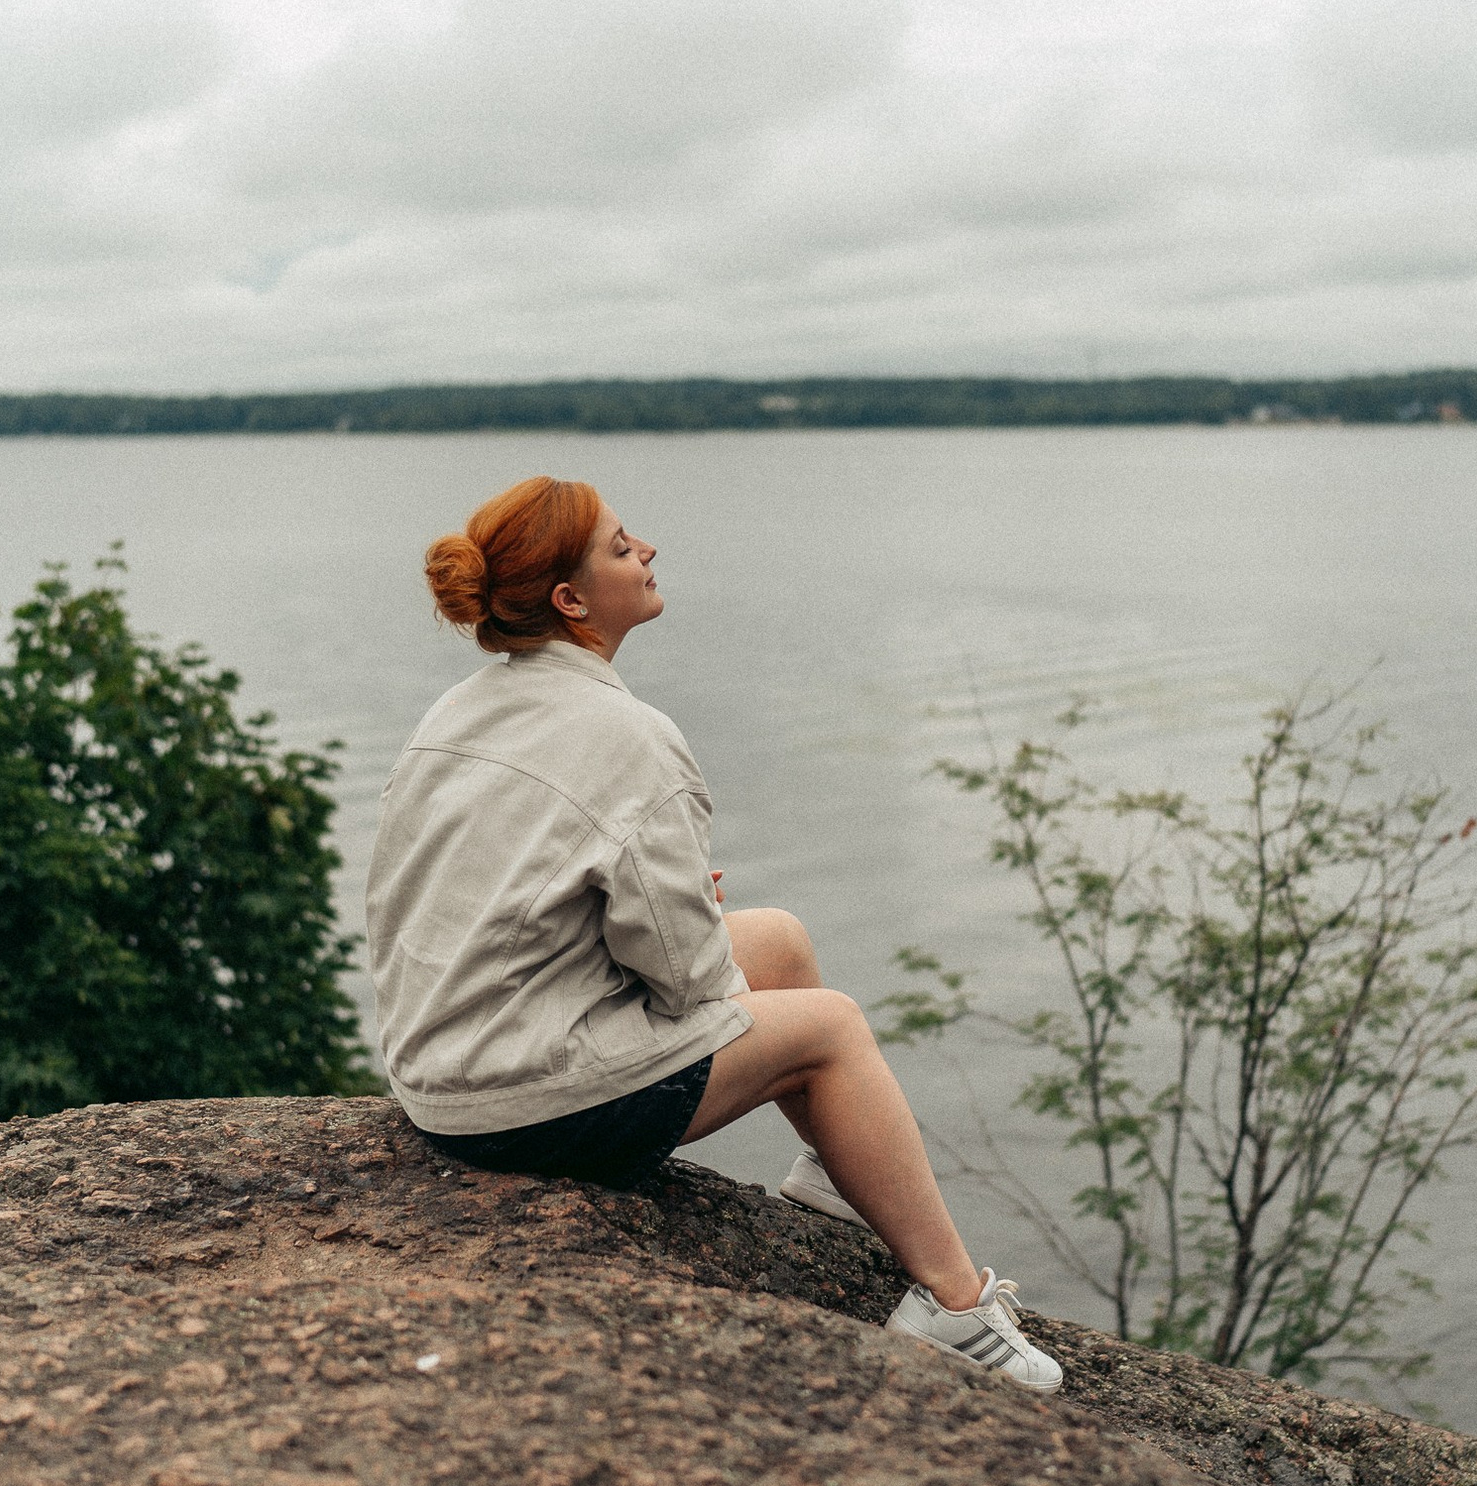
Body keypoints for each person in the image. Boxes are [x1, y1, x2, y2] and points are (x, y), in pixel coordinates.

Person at [364, 475, 1062, 1393]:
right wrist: (679, 899)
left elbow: (479, 897)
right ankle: (955, 1309)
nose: (645, 550)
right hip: (521, 1104)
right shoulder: (630, 737)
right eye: (620, 547)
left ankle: (843, 1177)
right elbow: (688, 980)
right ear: (571, 601)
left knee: (774, 939)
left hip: (443, 1066)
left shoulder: (456, 711)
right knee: (830, 1028)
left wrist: (667, 899)